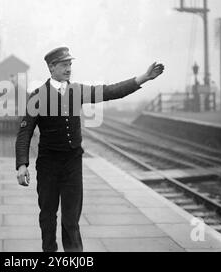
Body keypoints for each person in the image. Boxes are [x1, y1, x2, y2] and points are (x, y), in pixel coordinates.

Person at [15, 47, 164, 252]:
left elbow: (111, 91)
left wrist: (143, 78)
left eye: (70, 64)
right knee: (48, 217)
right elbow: (25, 132)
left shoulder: (77, 91)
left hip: (72, 165)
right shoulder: (37, 97)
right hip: (48, 165)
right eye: (64, 65)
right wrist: (22, 164)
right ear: (51, 67)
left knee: (71, 220)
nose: (68, 69)